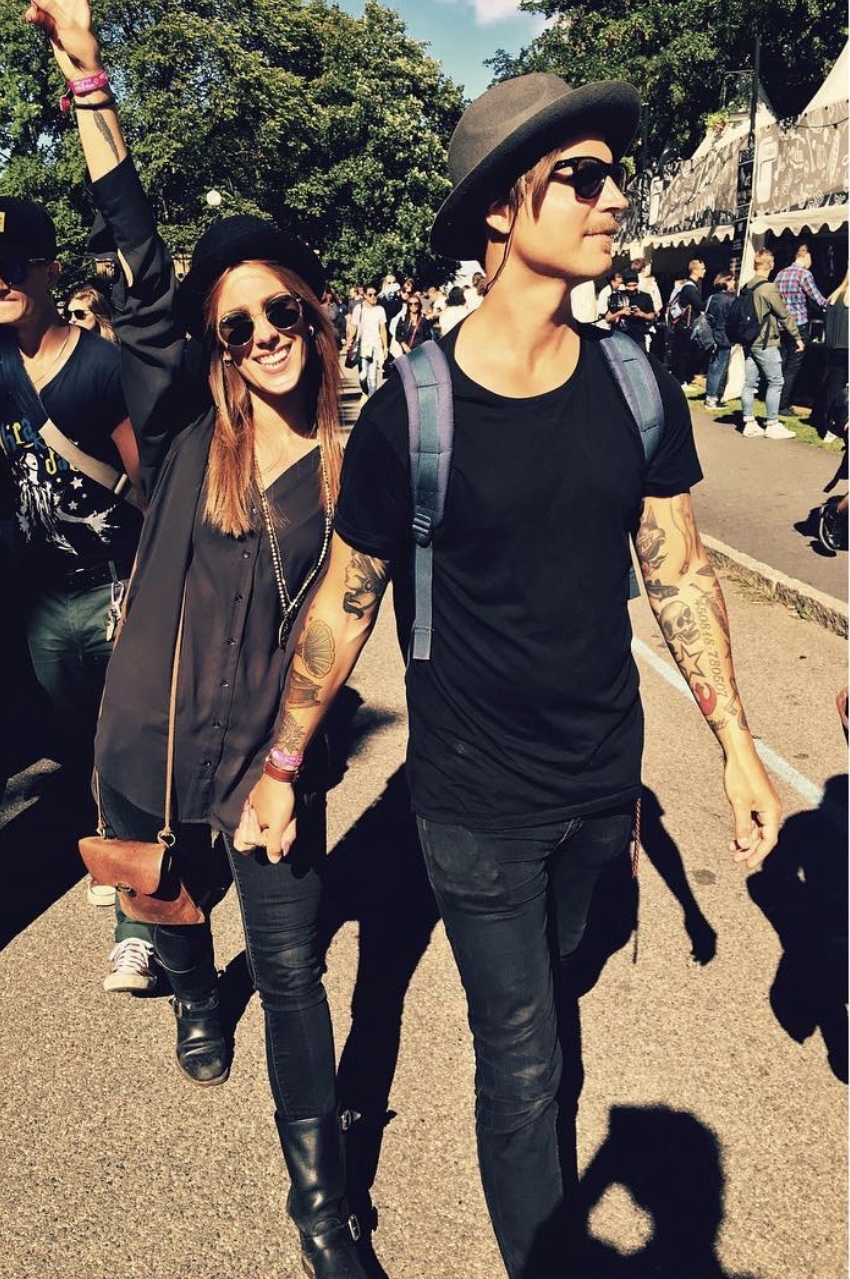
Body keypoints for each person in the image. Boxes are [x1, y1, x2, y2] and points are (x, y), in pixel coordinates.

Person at [242, 71, 781, 1278]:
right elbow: (345, 597)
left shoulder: (632, 381)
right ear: (498, 206)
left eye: (612, 176)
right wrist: (281, 765)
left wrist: (736, 749)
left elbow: (678, 573)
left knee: (562, 987)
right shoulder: (413, 410)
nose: (612, 198)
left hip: (599, 784)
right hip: (473, 802)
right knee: (523, 1053)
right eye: (580, 178)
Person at [31, 2, 368, 1275]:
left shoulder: (352, 464)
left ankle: (320, 1209)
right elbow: (138, 261)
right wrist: (88, 80)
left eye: (280, 311)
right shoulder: (184, 430)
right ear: (214, 346)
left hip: (270, 762)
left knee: (291, 973)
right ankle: (184, 989)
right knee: (166, 897)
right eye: (236, 325)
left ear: (314, 313)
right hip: (153, 737)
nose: (262, 336)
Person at [0, 192, 151, 974]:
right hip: (42, 604)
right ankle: (110, 835)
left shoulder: (101, 368)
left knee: (123, 749)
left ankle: (139, 926)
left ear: (50, 271)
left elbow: (146, 483)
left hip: (112, 588)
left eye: (10, 265)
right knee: (77, 742)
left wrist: (148, 589)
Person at [740, 249, 803, 440]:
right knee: (776, 381)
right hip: (766, 341)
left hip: (749, 340)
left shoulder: (747, 286)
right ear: (771, 264)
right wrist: (797, 337)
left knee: (749, 384)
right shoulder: (768, 288)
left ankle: (749, 422)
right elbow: (783, 314)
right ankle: (772, 423)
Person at [774, 243, 828, 415]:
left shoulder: (781, 274)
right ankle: (783, 404)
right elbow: (817, 298)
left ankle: (776, 399)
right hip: (798, 324)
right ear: (807, 256)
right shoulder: (804, 274)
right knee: (793, 366)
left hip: (781, 325)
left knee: (782, 363)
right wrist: (833, 305)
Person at [814, 273, 848, 443]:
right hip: (846, 346)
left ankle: (830, 427)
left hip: (833, 348)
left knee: (834, 388)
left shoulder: (833, 298)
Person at [668, 258, 706, 388]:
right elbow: (700, 305)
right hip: (685, 326)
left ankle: (682, 379)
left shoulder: (691, 286)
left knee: (684, 354)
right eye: (702, 268)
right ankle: (680, 380)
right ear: (695, 270)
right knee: (684, 354)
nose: (705, 271)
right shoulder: (690, 288)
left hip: (685, 325)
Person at [345, 284, 387, 397]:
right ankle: (367, 392)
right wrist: (349, 341)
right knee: (363, 375)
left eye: (375, 294)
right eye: (370, 295)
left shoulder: (380, 310)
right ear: (364, 295)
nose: (373, 297)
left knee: (373, 377)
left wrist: (385, 347)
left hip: (376, 345)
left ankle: (372, 398)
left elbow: (382, 328)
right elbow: (354, 326)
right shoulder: (359, 309)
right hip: (362, 346)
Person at [703, 271, 735, 409]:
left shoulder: (712, 298)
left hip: (712, 335)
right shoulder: (730, 299)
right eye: (732, 280)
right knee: (720, 367)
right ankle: (713, 397)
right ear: (726, 281)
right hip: (725, 335)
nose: (734, 283)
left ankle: (710, 395)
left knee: (713, 366)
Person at [605, 268, 655, 348]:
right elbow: (608, 318)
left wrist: (642, 314)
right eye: (629, 286)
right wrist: (621, 312)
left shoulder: (645, 297)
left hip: (639, 336)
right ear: (624, 285)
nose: (632, 289)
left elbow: (652, 315)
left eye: (634, 285)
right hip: (621, 336)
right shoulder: (617, 297)